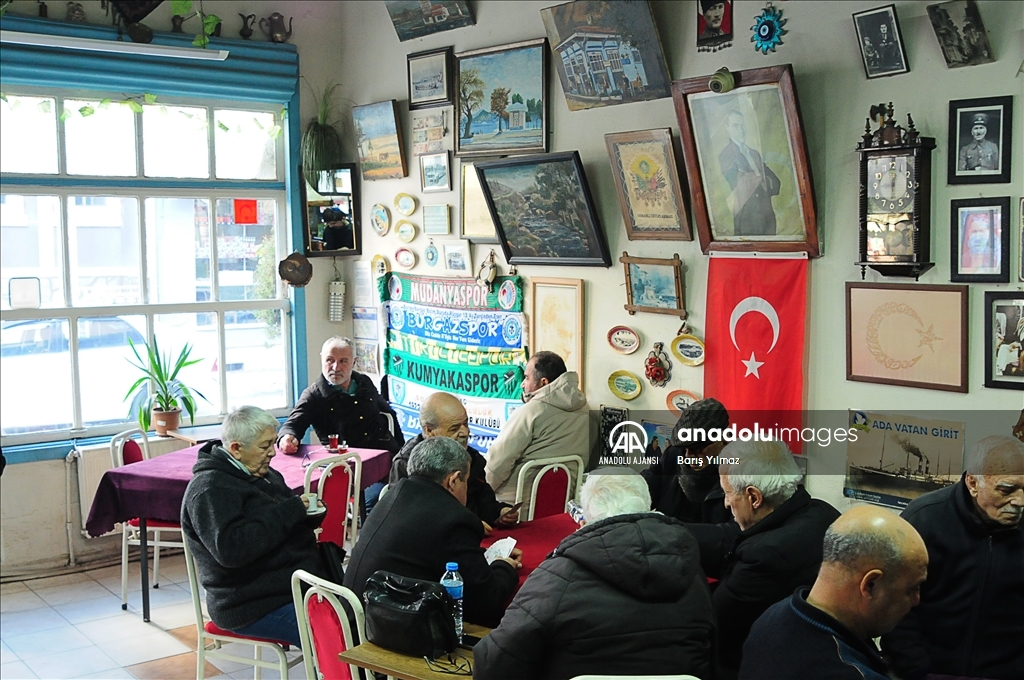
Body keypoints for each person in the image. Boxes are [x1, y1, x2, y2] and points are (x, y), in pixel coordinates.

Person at [473, 469, 715, 680]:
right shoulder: (691, 572)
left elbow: (495, 665)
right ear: (648, 507)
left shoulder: (557, 575)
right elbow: (711, 657)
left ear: (585, 518)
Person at [180, 406, 326, 647]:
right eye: (264, 446)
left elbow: (284, 521)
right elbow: (232, 550)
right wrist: (291, 511)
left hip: (291, 585)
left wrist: (310, 515)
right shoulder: (210, 490)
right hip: (249, 603)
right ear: (236, 449)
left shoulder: (264, 473)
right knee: (330, 635)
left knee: (362, 617)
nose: (272, 453)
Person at [881, 435, 1024, 680]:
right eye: (1006, 489)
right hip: (924, 673)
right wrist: (918, 671)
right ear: (973, 483)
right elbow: (892, 606)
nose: (1020, 501)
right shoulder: (924, 520)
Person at [699, 439, 841, 679]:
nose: (725, 503)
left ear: (754, 497)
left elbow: (712, 626)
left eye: (727, 493)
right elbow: (728, 536)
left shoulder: (764, 558)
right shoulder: (822, 512)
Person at [344, 437, 521, 628]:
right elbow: (485, 602)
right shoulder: (453, 519)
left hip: (354, 621)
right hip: (383, 637)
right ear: (453, 480)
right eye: (466, 481)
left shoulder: (394, 496)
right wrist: (504, 567)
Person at [740, 506, 928, 680]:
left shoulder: (770, 619)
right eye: (911, 589)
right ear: (870, 585)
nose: (916, 600)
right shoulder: (848, 672)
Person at [389, 391, 517, 529]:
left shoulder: (472, 459)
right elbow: (405, 519)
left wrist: (499, 513)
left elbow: (484, 503)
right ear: (430, 430)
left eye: (466, 424)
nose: (465, 433)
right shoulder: (406, 464)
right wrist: (466, 523)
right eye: (454, 428)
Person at [485, 352, 591, 514]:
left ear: (543, 382)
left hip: (516, 507)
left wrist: (478, 494)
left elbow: (497, 464)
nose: (522, 384)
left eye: (526, 378)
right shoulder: (585, 409)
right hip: (563, 507)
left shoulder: (531, 412)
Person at [278, 336, 403, 455]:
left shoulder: (364, 382)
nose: (336, 367)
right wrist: (287, 438)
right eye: (330, 360)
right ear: (322, 359)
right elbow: (293, 425)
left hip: (384, 453)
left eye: (343, 361)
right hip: (347, 461)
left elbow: (389, 413)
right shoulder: (313, 395)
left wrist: (401, 450)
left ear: (353, 362)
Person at [641, 397, 733, 524]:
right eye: (685, 448)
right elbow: (648, 481)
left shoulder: (741, 470)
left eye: (698, 448)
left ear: (725, 437)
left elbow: (733, 532)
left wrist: (675, 531)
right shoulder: (674, 454)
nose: (689, 456)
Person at [718, 109, 781, 236]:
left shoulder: (753, 153)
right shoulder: (726, 155)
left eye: (742, 125)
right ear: (727, 128)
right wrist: (759, 178)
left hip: (766, 213)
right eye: (735, 126)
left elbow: (774, 180)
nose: (741, 130)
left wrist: (764, 184)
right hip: (747, 217)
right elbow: (738, 186)